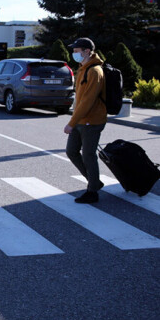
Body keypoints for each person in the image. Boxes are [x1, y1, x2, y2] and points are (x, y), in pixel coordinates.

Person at [64, 37, 107, 203]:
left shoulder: (95, 71)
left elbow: (87, 101)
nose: (74, 54)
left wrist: (71, 123)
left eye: (76, 51)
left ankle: (92, 192)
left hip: (92, 121)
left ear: (87, 51)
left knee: (88, 155)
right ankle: (95, 182)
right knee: (71, 151)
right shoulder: (83, 68)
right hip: (81, 119)